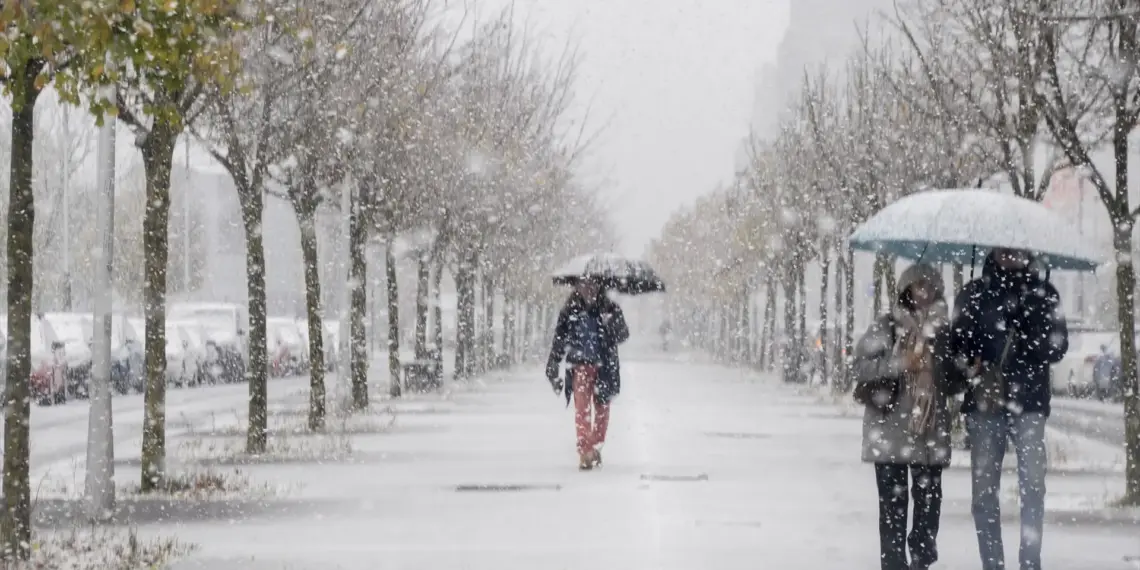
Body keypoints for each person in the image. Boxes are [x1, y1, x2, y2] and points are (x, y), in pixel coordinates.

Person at [950, 248, 1068, 570]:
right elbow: (957, 343)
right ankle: (992, 563)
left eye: (1018, 249)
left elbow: (1057, 347)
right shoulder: (974, 293)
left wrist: (1028, 329)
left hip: (1029, 403)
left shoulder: (1044, 293)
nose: (1011, 254)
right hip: (986, 402)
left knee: (1033, 487)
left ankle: (1030, 562)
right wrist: (972, 355)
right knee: (984, 494)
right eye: (1004, 248)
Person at [853, 263, 965, 570]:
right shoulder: (886, 325)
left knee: (929, 508)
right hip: (889, 433)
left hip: (929, 434)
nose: (924, 293)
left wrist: (966, 368)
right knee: (892, 509)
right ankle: (893, 565)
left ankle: (921, 561)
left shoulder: (945, 332)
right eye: (918, 286)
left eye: (930, 286)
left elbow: (954, 379)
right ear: (906, 290)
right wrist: (901, 362)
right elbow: (860, 368)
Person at [545, 278, 630, 470]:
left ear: (600, 286)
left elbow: (623, 335)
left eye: (593, 285)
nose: (588, 289)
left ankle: (596, 446)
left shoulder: (610, 308)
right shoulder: (570, 309)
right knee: (582, 409)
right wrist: (553, 364)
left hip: (605, 367)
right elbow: (560, 339)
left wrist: (612, 322)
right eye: (584, 285)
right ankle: (585, 451)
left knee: (602, 408)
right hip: (580, 366)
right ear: (577, 286)